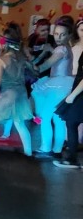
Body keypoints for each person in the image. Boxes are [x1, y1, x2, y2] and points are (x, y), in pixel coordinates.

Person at [32, 17, 75, 158]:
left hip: (58, 86)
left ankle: (46, 148)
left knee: (45, 117)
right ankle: (57, 149)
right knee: (58, 119)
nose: (58, 37)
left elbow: (50, 62)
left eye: (62, 34)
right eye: (56, 34)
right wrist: (50, 50)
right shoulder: (67, 48)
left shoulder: (61, 48)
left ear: (69, 35)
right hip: (64, 86)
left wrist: (38, 68)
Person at [0, 24, 33, 156]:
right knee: (20, 124)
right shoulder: (21, 58)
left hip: (7, 94)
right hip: (21, 93)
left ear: (4, 43)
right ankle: (28, 153)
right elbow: (33, 69)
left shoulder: (0, 60)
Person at [54, 24, 83, 170]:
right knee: (72, 123)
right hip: (78, 88)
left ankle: (72, 159)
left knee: (71, 122)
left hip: (80, 91)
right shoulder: (74, 47)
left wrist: (72, 95)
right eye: (82, 29)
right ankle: (72, 158)